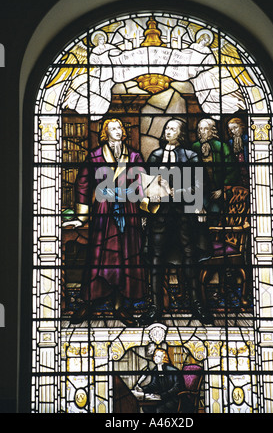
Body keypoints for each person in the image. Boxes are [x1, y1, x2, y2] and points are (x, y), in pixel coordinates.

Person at [67, 118, 146, 326]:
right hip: (104, 211)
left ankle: (121, 306)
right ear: (105, 133)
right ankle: (89, 301)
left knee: (127, 256)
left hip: (129, 211)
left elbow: (143, 182)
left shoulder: (135, 156)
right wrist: (81, 216)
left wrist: (140, 198)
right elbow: (83, 183)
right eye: (112, 128)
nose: (117, 131)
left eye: (119, 127)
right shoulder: (94, 156)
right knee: (99, 257)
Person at [139, 118, 213, 326]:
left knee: (190, 256)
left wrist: (176, 192)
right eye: (167, 128)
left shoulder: (191, 156)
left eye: (173, 128)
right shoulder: (155, 156)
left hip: (184, 214)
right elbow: (146, 185)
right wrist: (147, 203)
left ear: (181, 134)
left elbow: (199, 185)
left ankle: (196, 304)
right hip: (159, 215)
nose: (168, 131)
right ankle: (154, 307)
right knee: (155, 258)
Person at [192, 118, 239, 224]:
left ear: (212, 131)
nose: (201, 132)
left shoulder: (222, 146)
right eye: (200, 129)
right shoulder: (194, 147)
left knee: (215, 213)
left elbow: (232, 170)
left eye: (205, 129)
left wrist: (222, 189)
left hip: (217, 191)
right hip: (199, 192)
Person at [134, 348, 182, 413]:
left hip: (173, 399)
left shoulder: (172, 371)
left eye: (159, 356)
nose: (156, 358)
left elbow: (177, 387)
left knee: (160, 409)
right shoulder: (155, 370)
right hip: (161, 398)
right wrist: (142, 389)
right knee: (146, 408)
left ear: (164, 358)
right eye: (155, 356)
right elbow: (154, 385)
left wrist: (162, 395)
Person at [227, 117, 249, 188]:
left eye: (235, 128)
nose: (233, 131)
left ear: (242, 126)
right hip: (238, 173)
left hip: (248, 169)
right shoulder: (231, 142)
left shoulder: (248, 139)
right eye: (231, 129)